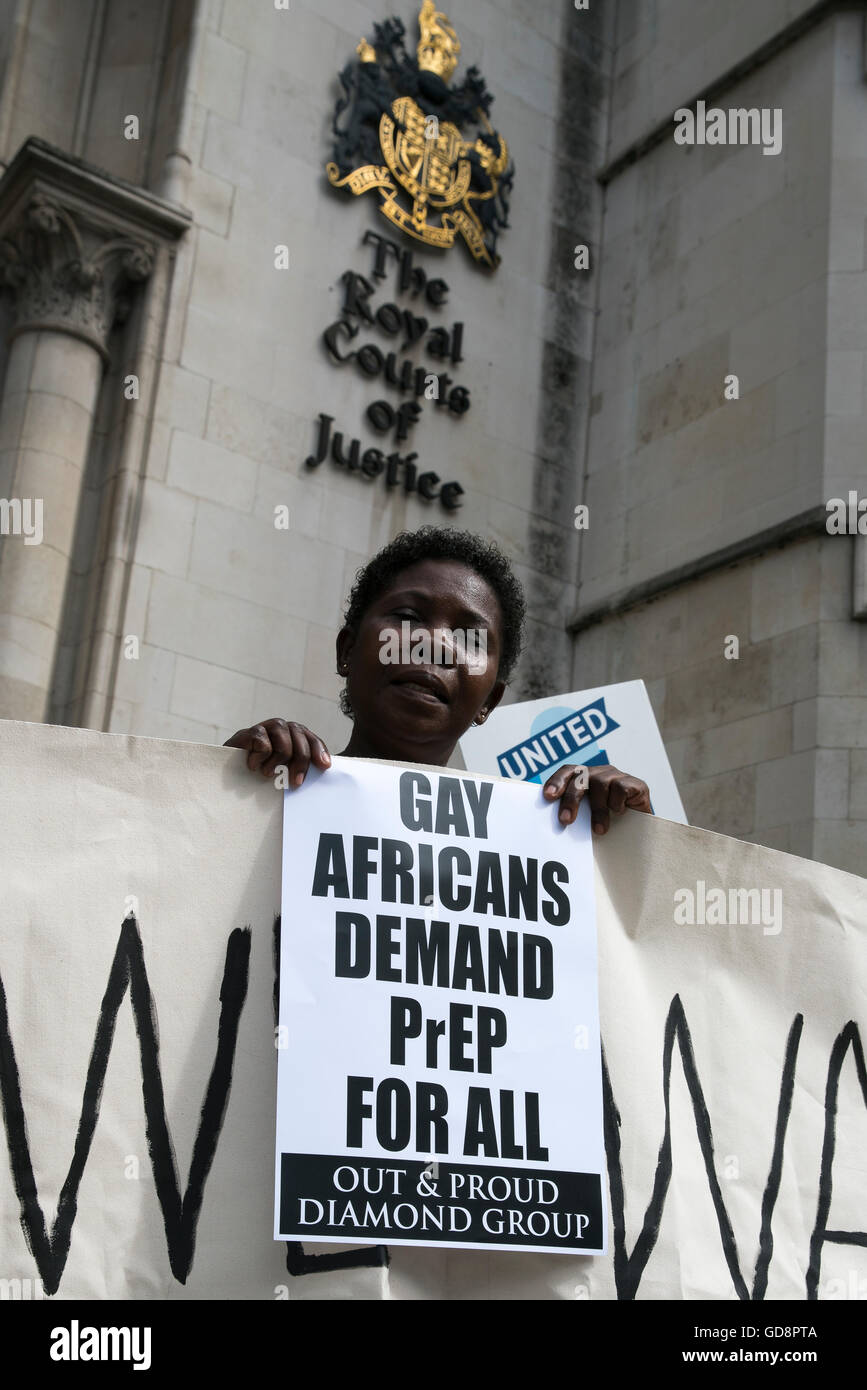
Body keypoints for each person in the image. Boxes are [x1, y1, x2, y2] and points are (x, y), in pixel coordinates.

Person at [225, 526, 652, 831]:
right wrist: (223, 782)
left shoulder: (555, 833)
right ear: (347, 651)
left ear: (490, 701)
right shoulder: (265, 786)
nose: (435, 644)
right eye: (408, 617)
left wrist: (634, 841)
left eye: (471, 636)